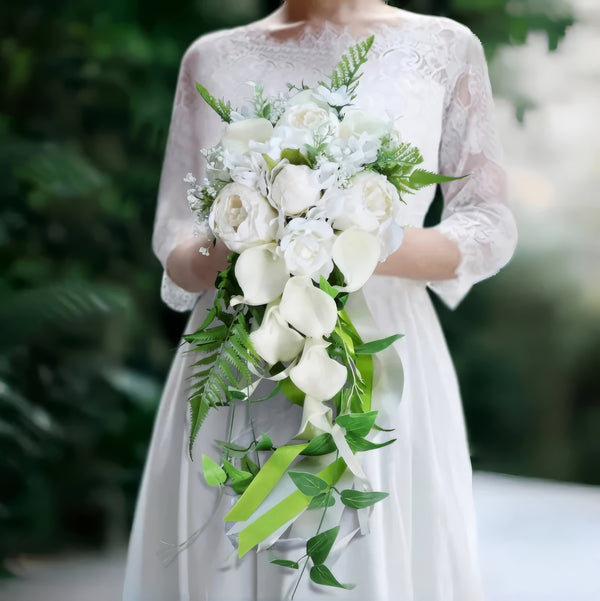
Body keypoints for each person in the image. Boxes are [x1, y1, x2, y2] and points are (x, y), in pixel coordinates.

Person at [123, 1, 518, 599]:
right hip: (234, 356)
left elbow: (487, 222)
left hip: (380, 360)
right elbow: (174, 234)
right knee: (227, 558)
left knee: (362, 559)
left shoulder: (445, 46)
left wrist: (348, 237)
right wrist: (248, 235)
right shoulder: (210, 56)